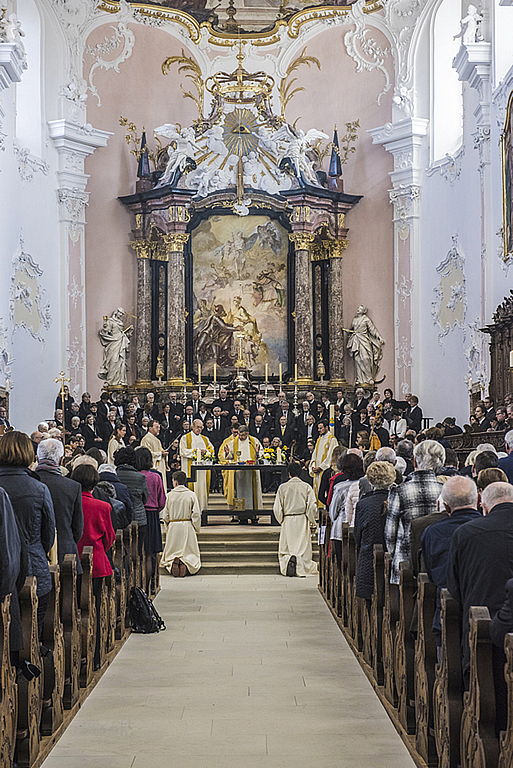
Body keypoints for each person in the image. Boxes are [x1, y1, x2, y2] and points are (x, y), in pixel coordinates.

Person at [447, 481, 513, 732]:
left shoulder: (466, 533)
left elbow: (455, 588)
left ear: (483, 505)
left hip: (484, 634)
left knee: (490, 710)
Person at [0, 431, 55, 638]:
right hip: (33, 568)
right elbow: (48, 535)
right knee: (33, 634)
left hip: (3, 571)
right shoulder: (39, 487)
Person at [421, 476, 480, 650]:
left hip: (447, 614)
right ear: (478, 500)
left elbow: (431, 573)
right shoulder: (489, 529)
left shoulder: (432, 532)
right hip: (486, 614)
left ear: (445, 505)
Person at [73, 463, 115, 669]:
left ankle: (76, 658)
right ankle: (95, 657)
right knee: (94, 609)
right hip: (96, 563)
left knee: (71, 609)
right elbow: (109, 539)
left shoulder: (70, 503)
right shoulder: (103, 506)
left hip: (71, 562)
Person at [385, 439, 444, 584]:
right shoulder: (446, 490)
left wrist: (396, 556)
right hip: (437, 563)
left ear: (415, 462)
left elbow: (390, 533)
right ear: (441, 465)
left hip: (406, 563)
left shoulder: (399, 490)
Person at [35, 438, 84, 574]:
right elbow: (77, 527)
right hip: (65, 553)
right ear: (62, 460)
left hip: (35, 557)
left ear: (37, 458)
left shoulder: (30, 484)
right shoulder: (72, 487)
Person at [354, 461, 397, 613]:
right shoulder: (396, 500)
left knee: (371, 608)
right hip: (393, 561)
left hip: (369, 561)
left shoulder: (363, 504)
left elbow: (357, 536)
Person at [273, 462, 317, 577]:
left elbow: (277, 508)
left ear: (289, 474)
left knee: (287, 547)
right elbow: (312, 506)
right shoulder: (306, 487)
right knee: (302, 547)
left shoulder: (283, 487)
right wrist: (312, 521)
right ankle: (301, 564)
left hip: (288, 519)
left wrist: (281, 520)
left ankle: (288, 562)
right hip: (302, 519)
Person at [134, 447, 165, 592]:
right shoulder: (156, 477)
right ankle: (150, 585)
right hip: (152, 514)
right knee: (151, 552)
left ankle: (138, 585)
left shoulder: (135, 476)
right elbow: (162, 501)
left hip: (138, 515)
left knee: (139, 551)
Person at [160, 470, 201, 576]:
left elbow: (165, 515)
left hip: (174, 526)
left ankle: (172, 562)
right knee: (189, 552)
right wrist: (196, 528)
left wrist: (168, 526)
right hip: (187, 526)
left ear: (175, 482)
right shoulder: (191, 495)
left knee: (172, 551)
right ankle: (185, 563)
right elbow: (196, 514)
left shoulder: (169, 495)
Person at [329, 453, 365, 567]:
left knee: (342, 563)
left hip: (341, 529)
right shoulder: (366, 484)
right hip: (360, 528)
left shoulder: (340, 487)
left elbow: (333, 511)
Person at [223, 424, 262, 523]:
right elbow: (230, 456)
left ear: (248, 433)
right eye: (239, 435)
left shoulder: (254, 441)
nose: (240, 437)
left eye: (243, 435)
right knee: (239, 493)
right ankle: (241, 516)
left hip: (252, 472)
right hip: (239, 473)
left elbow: (261, 454)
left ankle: (253, 516)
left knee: (253, 495)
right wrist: (227, 453)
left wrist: (257, 453)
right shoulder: (234, 442)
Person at [114, 447, 149, 558]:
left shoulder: (115, 475)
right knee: (137, 551)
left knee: (119, 550)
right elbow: (145, 497)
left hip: (118, 517)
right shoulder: (140, 477)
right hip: (138, 517)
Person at [179, 419, 214, 511]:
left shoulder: (205, 439)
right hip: (191, 469)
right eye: (197, 427)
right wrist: (195, 451)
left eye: (201, 427)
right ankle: (190, 510)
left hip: (203, 471)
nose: (199, 429)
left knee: (202, 490)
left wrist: (206, 452)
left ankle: (203, 509)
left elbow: (212, 450)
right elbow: (183, 451)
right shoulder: (185, 438)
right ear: (192, 427)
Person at [347, 305, 384, 386]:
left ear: (364, 311)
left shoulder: (366, 319)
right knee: (358, 360)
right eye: (358, 308)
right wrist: (349, 332)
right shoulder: (355, 319)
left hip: (364, 340)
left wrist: (379, 337)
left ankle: (369, 377)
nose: (358, 310)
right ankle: (359, 378)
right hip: (356, 340)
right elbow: (352, 329)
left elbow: (372, 330)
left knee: (366, 358)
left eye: (360, 309)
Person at [98, 307, 132, 386]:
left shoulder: (120, 322)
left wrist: (128, 333)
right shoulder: (110, 321)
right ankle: (110, 380)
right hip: (113, 342)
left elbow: (121, 333)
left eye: (122, 314)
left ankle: (121, 380)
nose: (121, 315)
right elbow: (106, 332)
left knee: (121, 362)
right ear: (116, 312)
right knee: (113, 361)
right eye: (120, 313)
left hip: (121, 341)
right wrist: (105, 327)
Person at [309, 420, 339, 507]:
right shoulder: (319, 440)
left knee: (323, 492)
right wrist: (313, 466)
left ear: (326, 427)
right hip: (317, 471)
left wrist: (321, 467)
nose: (319, 430)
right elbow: (314, 455)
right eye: (318, 428)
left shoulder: (332, 439)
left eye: (321, 428)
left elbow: (331, 455)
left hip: (325, 471)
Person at [141, 419, 168, 492]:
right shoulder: (146, 439)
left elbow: (160, 451)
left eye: (159, 427)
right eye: (156, 427)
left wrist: (164, 453)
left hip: (160, 466)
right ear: (150, 428)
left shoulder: (157, 440)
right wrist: (160, 454)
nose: (159, 429)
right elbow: (146, 454)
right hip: (154, 467)